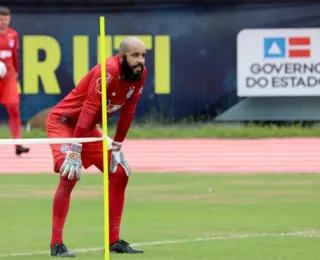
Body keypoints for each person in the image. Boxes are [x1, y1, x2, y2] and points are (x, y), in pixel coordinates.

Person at [46, 36, 147, 257]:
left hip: (88, 127)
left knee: (119, 173)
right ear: (121, 57)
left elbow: (128, 113)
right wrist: (75, 149)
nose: (140, 61)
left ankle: (113, 241)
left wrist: (118, 147)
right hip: (64, 123)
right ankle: (56, 244)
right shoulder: (108, 71)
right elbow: (89, 109)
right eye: (135, 55)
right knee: (70, 174)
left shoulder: (140, 75)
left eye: (143, 55)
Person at [0, 6, 29, 155]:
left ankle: (17, 144)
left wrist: (16, 71)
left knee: (14, 108)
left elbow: (14, 56)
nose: (3, 22)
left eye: (5, 19)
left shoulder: (13, 35)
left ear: (9, 19)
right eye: (0, 19)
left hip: (9, 76)